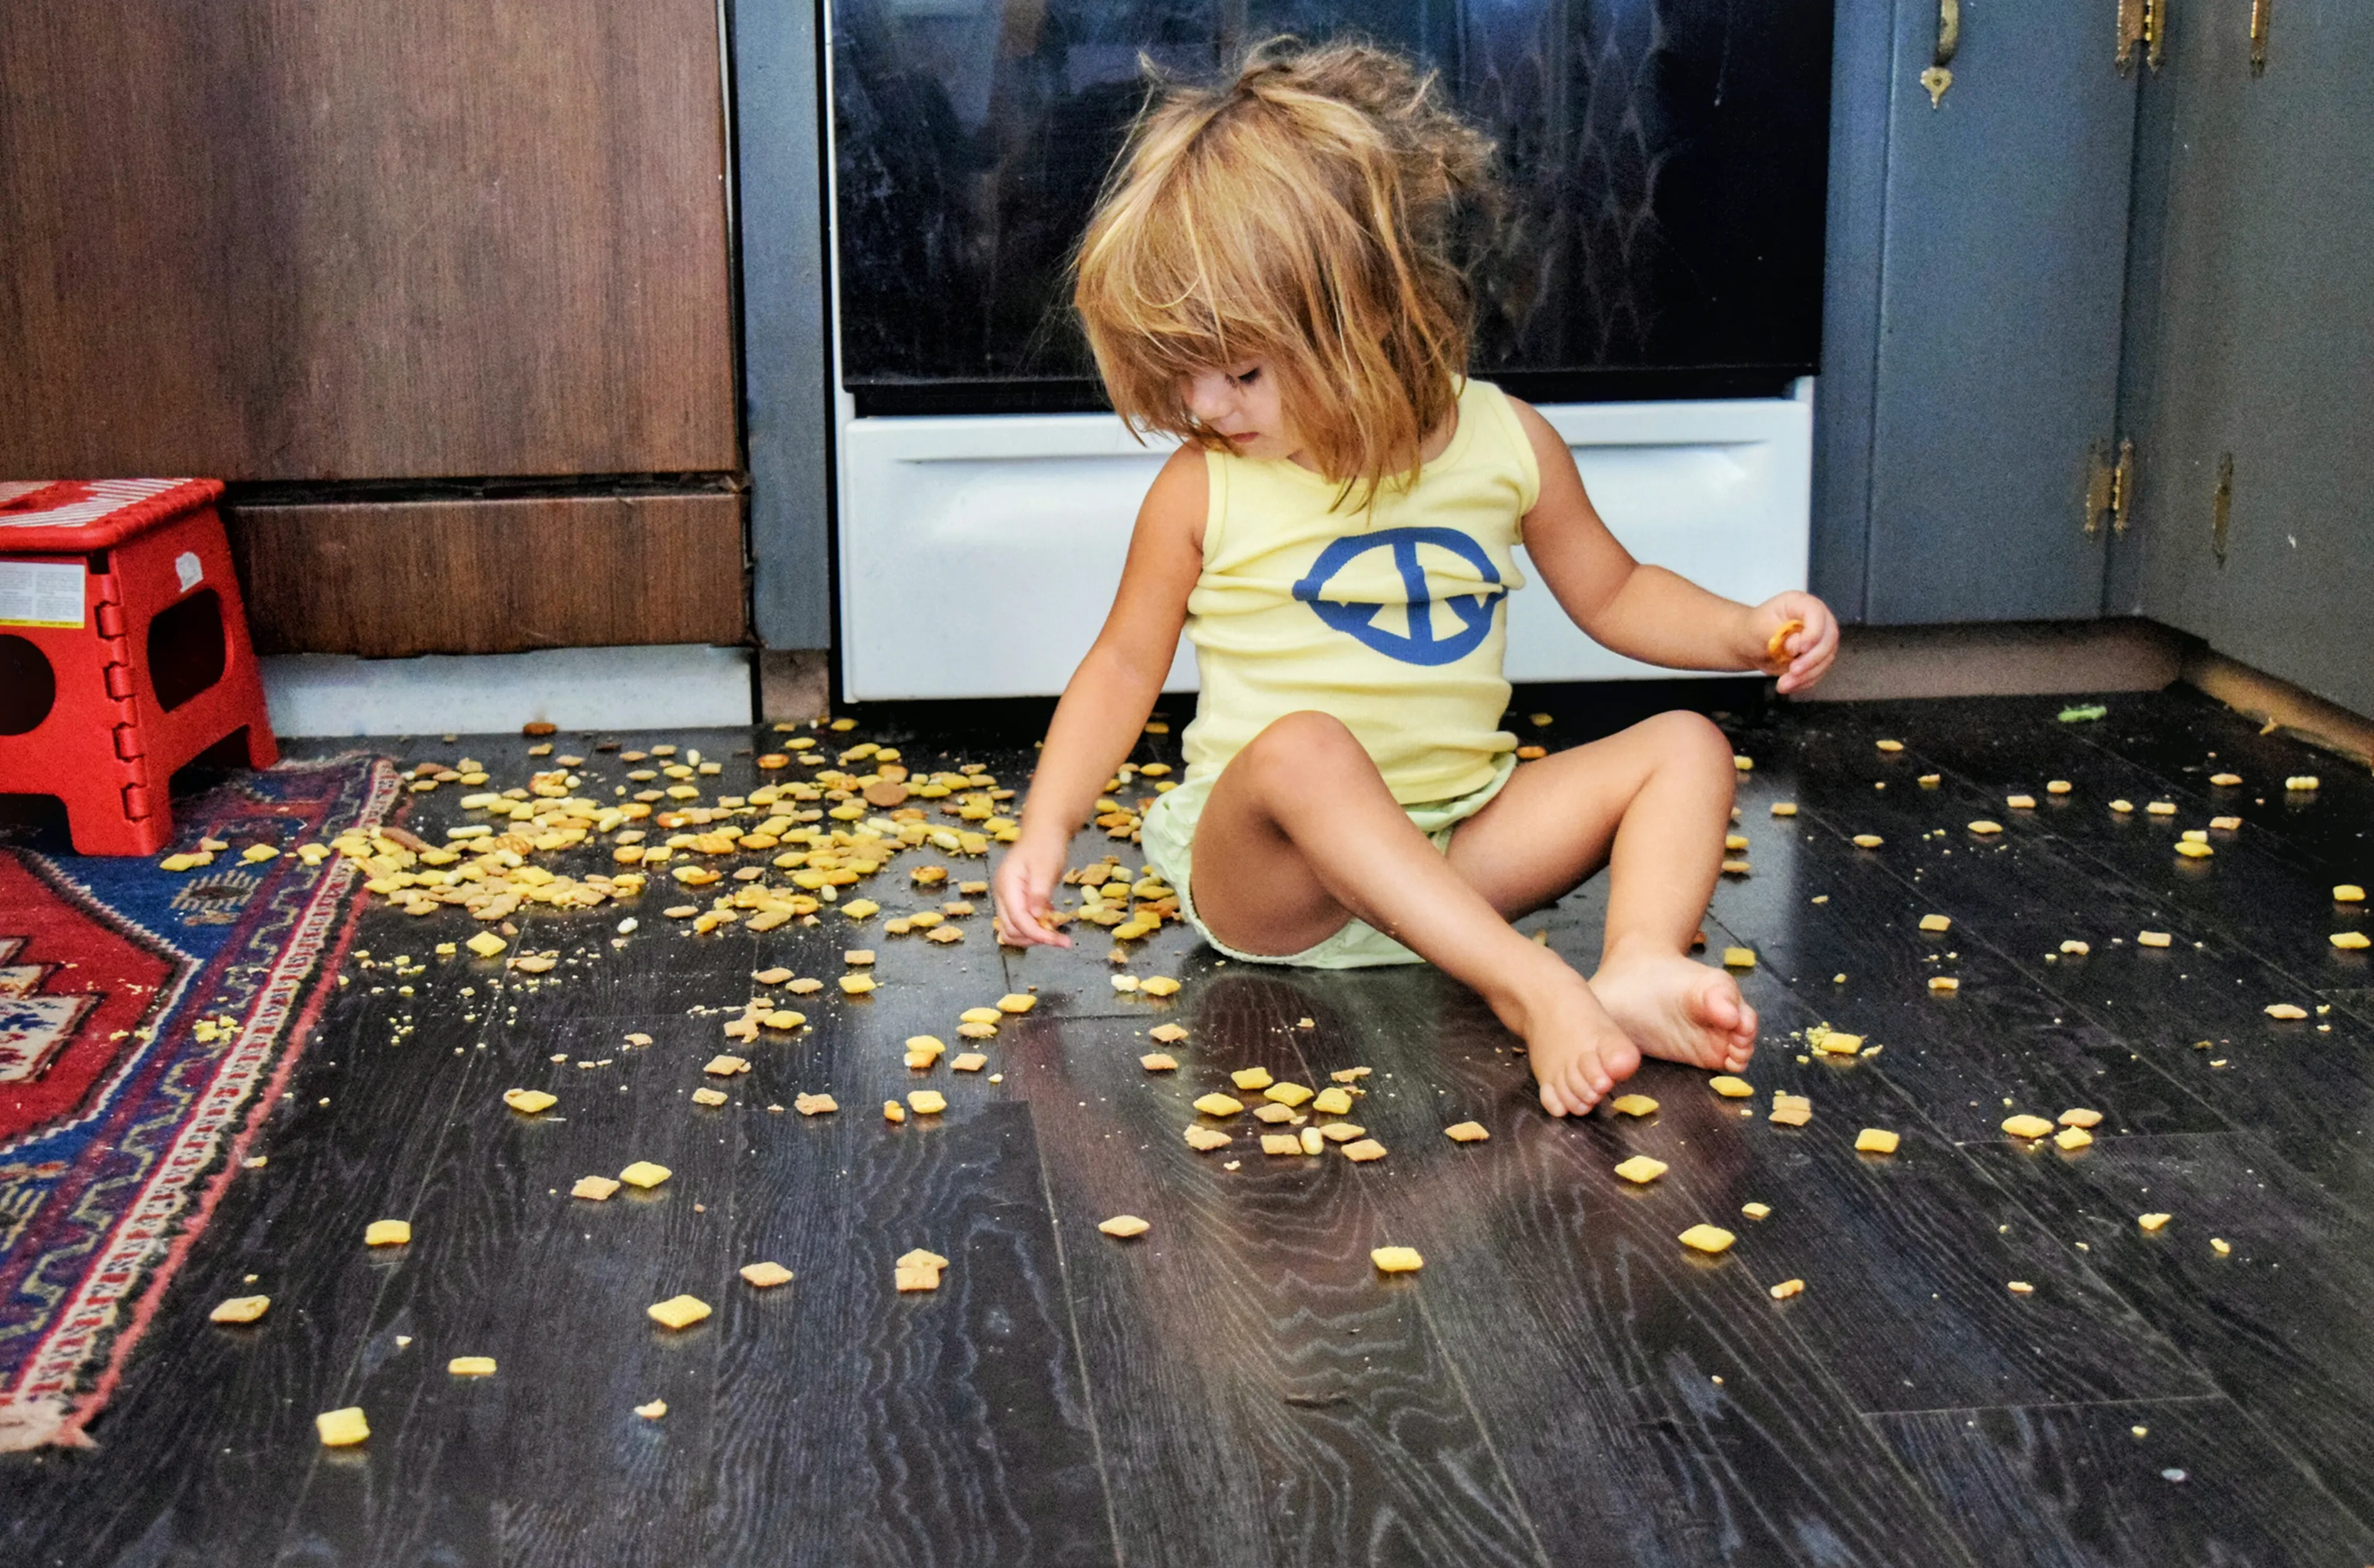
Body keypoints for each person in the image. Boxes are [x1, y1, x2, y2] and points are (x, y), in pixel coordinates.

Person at [990, 38, 1838, 1116]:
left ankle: (1633, 967)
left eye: (1243, 370)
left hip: (1458, 851)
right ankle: (1529, 982)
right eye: (1184, 375)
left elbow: (1617, 594)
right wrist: (1048, 827)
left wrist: (1744, 631)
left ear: (1368, 309)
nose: (1206, 407)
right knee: (1302, 747)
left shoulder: (1504, 442)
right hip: (1274, 881)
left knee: (1687, 746)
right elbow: (1120, 667)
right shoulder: (1207, 490)